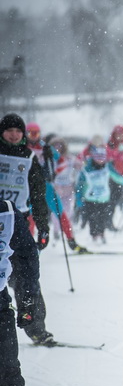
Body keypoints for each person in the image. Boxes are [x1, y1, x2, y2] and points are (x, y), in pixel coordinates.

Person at [0, 113, 53, 345]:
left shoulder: (30, 157)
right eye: (9, 130)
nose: (13, 134)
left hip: (17, 220)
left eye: (18, 131)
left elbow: (39, 195)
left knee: (27, 273)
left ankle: (34, 325)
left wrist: (43, 226)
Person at [0, 199, 41, 386]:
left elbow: (26, 255)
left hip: (0, 303)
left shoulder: (7, 211)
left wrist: (27, 302)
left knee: (9, 371)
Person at [77, 144, 123, 243]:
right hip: (90, 198)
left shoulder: (107, 167)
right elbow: (80, 185)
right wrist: (79, 198)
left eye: (102, 158)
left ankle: (101, 234)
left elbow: (116, 176)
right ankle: (94, 235)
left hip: (104, 197)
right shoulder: (87, 169)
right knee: (92, 218)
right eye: (98, 158)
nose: (100, 160)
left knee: (103, 217)